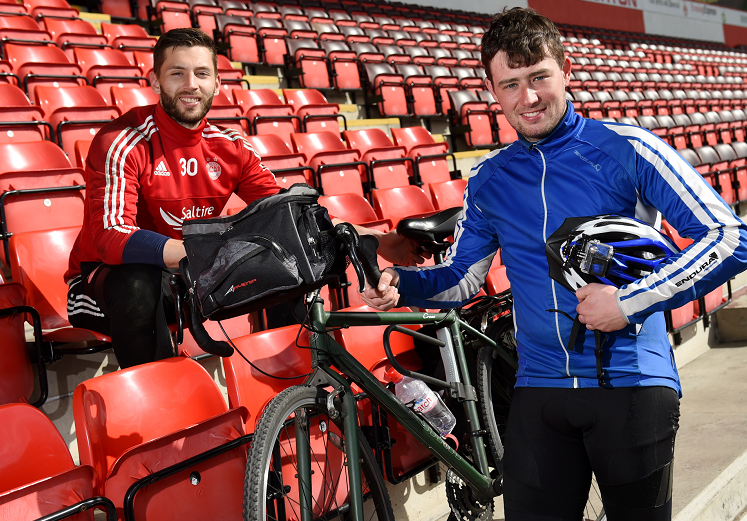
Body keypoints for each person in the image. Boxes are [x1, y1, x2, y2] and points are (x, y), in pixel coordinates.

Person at [363, 7, 747, 521]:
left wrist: (628, 302)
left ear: (565, 71)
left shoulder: (628, 149)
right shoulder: (490, 180)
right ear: (492, 92)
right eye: (511, 84)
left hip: (631, 383)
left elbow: (728, 237)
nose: (528, 98)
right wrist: (399, 285)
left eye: (539, 77)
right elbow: (461, 278)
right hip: (538, 389)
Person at [65, 28, 423, 369]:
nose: (191, 85)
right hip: (106, 283)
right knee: (137, 284)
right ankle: (152, 410)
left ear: (216, 83)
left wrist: (379, 241)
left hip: (192, 278)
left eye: (202, 73)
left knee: (290, 257)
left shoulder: (231, 147)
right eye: (177, 73)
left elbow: (294, 220)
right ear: (157, 81)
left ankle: (288, 388)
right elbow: (110, 236)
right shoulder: (121, 140)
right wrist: (204, 254)